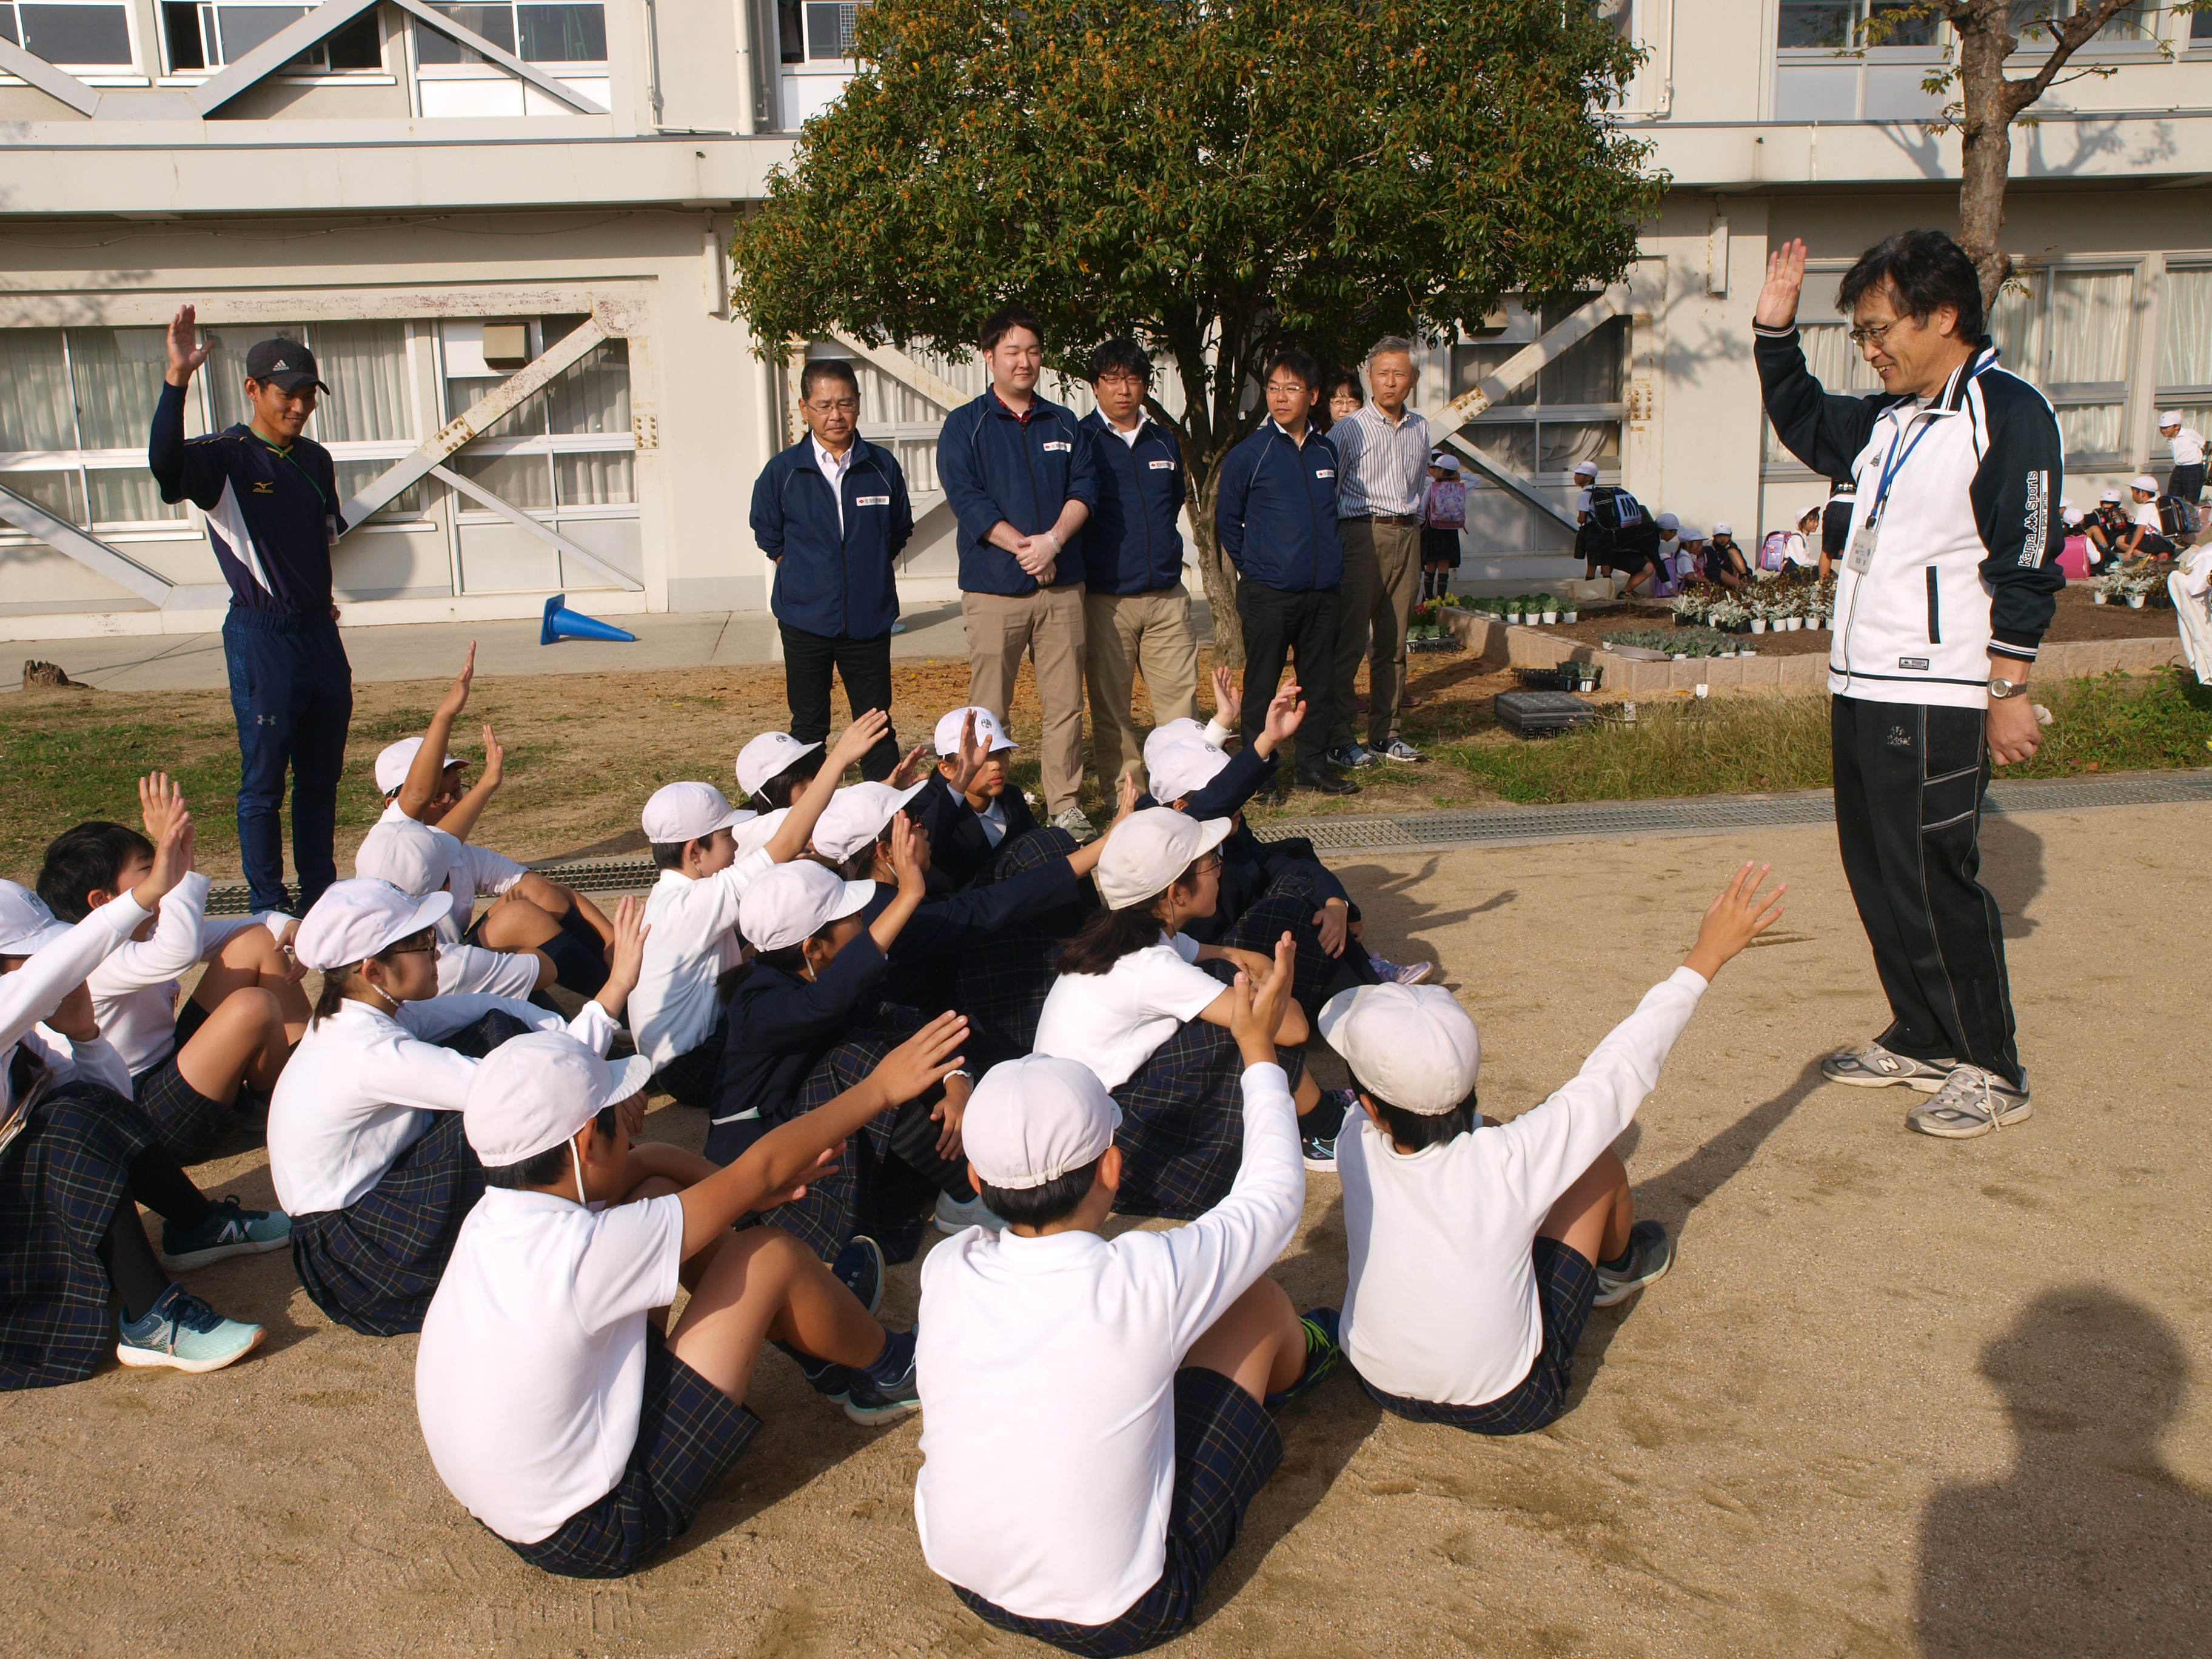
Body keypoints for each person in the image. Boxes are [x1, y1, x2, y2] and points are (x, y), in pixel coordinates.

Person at [415, 1017, 962, 1580]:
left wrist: (744, 1190)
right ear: (584, 1144)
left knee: (654, 1195)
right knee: (768, 1255)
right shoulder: (584, 1254)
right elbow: (764, 1163)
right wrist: (878, 1089)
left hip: (525, 1497)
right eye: (614, 1122)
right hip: (598, 1523)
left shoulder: (496, 1217)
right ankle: (893, 1368)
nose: (628, 1131)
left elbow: (649, 1163)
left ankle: (822, 1344)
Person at [913, 971, 1342, 1655]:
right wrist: (1260, 1056)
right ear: (1112, 1168)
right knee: (1256, 1297)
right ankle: (1308, 1358)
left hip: (966, 1579)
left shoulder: (948, 1267)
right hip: (1124, 1612)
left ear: (977, 1182)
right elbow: (1273, 1200)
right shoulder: (1146, 1276)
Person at [1757, 229, 2063, 1138]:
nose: (1871, 347)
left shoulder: (2005, 411)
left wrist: (2008, 687)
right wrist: (1777, 339)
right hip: (1864, 684)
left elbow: (2030, 554)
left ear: (1944, 316)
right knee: (1877, 869)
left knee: (1933, 875)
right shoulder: (1892, 419)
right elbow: (1809, 422)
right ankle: (1924, 1034)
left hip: (1940, 692)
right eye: (1859, 333)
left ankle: (1992, 1066)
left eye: (1880, 327)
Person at [1328, 862, 1782, 1435]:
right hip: (1508, 1402)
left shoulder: (1352, 1138)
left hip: (1377, 1380)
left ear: (1369, 1106)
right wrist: (1705, 958)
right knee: (1594, 1165)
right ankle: (1619, 1269)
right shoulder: (1510, 1160)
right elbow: (1618, 1070)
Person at [269, 880, 646, 1336]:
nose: (438, 953)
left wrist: (589, 1060)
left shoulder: (366, 1009)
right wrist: (616, 989)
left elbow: (491, 1005)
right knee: (511, 1111)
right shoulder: (366, 1052)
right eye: (422, 944)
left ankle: (572, 1193)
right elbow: (522, 1093)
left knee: (495, 1029)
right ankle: (564, 1223)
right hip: (359, 1253)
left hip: (365, 1213)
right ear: (373, 972)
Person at [1, 805, 278, 1384]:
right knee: (69, 1124)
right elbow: (60, 970)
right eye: (32, 960)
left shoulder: (27, 1038)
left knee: (81, 1107)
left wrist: (84, 1036)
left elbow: (114, 1108)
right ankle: (153, 1318)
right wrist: (159, 887)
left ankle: (196, 1226)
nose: (53, 969)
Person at [1031, 811, 1355, 1212]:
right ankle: (1323, 1130)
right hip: (1113, 1149)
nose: (1221, 870)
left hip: (1087, 1117)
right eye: (1211, 864)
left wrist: (1262, 972)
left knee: (1231, 987)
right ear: (1177, 894)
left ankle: (1313, 1112)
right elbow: (1292, 1029)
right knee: (1243, 1027)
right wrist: (1276, 979)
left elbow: (1229, 953)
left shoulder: (1137, 936)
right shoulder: (1150, 967)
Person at [150, 307, 350, 916]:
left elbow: (316, 540)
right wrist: (177, 380)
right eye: (287, 394)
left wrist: (321, 601)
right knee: (264, 786)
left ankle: (321, 897)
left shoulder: (315, 460)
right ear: (254, 389)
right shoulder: (225, 457)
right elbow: (164, 465)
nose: (298, 407)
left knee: (320, 781)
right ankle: (270, 905)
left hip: (319, 636)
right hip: (264, 638)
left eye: (309, 396)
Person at [41, 779, 307, 1165]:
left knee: (255, 942)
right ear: (104, 901)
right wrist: (182, 868)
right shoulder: (90, 957)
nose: (164, 874)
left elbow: (254, 929)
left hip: (171, 1068)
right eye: (151, 869)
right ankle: (282, 1106)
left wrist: (288, 923)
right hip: (140, 1115)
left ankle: (306, 1063)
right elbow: (178, 953)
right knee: (254, 1006)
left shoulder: (146, 928)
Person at [631, 714, 889, 1111]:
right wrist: (837, 760)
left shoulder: (674, 897)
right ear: (693, 852)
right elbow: (786, 841)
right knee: (821, 1019)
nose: (735, 848)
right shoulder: (690, 906)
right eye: (725, 838)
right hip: (696, 1066)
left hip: (685, 1058)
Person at [371, 645, 617, 998]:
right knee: (521, 922)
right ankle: (617, 1003)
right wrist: (447, 718)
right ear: (395, 803)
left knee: (532, 894)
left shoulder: (456, 851)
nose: (453, 803)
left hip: (451, 956)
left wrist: (612, 940)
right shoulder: (389, 852)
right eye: (437, 796)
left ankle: (621, 985)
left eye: (457, 791)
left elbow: (544, 889)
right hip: (417, 978)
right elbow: (416, 797)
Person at [937, 305, 1099, 840]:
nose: (1024, 361)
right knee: (987, 708)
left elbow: (1085, 491)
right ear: (989, 357)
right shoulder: (966, 425)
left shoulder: (1064, 422)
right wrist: (1025, 548)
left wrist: (1053, 542)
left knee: (1065, 704)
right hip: (994, 589)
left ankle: (1065, 804)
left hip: (1062, 585)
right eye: (1012, 351)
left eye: (1032, 350)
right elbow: (968, 500)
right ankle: (981, 803)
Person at [753, 359, 913, 784]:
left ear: (858, 405)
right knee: (807, 728)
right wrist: (809, 577)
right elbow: (769, 534)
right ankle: (805, 821)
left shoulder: (881, 467)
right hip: (805, 620)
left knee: (875, 724)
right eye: (824, 405)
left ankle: (882, 814)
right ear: (804, 407)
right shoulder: (783, 472)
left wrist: (867, 572)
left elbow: (898, 530)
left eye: (844, 403)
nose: (835, 414)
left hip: (868, 619)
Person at [1215, 348, 1357, 796]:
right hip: (1268, 594)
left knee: (1319, 683)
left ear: (1313, 395)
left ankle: (1311, 766)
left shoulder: (1326, 451)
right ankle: (1259, 774)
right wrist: (1257, 570)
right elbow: (1227, 522)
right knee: (1261, 685)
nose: (1280, 397)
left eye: (1292, 388)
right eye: (1274, 388)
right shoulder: (1249, 454)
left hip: (1323, 593)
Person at [1079, 338, 1198, 794]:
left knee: (1179, 704)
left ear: (1145, 384)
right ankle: (1128, 795)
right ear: (1096, 386)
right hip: (1108, 601)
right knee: (1113, 710)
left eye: (1132, 378)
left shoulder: (1163, 439)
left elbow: (1170, 503)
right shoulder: (1082, 440)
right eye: (1112, 379)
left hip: (1166, 595)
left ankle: (1183, 790)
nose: (1123, 389)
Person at [1329, 337, 1433, 769]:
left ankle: (1386, 735)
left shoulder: (1421, 427)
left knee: (1393, 642)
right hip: (1360, 534)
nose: (1391, 382)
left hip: (1407, 534)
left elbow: (1419, 484)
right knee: (1349, 643)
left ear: (1413, 380)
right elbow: (1328, 489)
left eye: (1400, 374)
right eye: (1382, 373)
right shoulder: (1348, 429)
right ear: (1369, 376)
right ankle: (1338, 737)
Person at [1572, 459, 1665, 596]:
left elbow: (1582, 519)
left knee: (1591, 564)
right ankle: (1608, 593)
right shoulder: (1602, 492)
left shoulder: (1584, 495)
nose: (1576, 476)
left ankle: (1588, 593)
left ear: (1589, 477)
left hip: (1593, 531)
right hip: (1607, 532)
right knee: (1606, 564)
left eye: (1580, 474)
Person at [1421, 452, 1466, 602]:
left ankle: (1428, 597)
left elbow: (1421, 509)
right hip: (1451, 530)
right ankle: (1441, 599)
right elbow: (1475, 480)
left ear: (1441, 471)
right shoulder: (1460, 487)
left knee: (1431, 563)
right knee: (1444, 564)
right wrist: (1458, 477)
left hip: (1434, 529)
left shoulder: (1432, 487)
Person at [2119, 475, 2180, 563]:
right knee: (2150, 541)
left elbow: (2141, 530)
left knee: (2120, 540)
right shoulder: (2161, 505)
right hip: (2168, 543)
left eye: (2134, 492)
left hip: (2154, 542)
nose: (2132, 496)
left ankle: (2147, 556)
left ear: (2142, 493)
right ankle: (2163, 553)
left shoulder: (2145, 508)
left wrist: (2130, 550)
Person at [2159, 411, 2205, 504]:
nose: (2163, 430)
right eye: (2161, 427)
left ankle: (2191, 518)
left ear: (2177, 426)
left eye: (2166, 427)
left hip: (2193, 468)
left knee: (2191, 501)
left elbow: (2205, 446)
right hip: (2178, 469)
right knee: (2173, 499)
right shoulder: (2170, 440)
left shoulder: (2190, 433)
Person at [1702, 521, 1751, 589]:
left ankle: (1745, 577)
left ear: (1730, 536)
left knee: (1732, 552)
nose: (1722, 539)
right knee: (1716, 570)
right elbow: (1712, 567)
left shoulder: (1733, 547)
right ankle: (1742, 585)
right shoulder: (1710, 548)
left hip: (1732, 572)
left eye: (1725, 535)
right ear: (1714, 537)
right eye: (1719, 536)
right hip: (1719, 576)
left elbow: (1743, 563)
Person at [1321, 367, 1364, 432]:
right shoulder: (1320, 439)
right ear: (1329, 406)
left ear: (1361, 405)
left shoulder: (1370, 434)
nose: (1345, 409)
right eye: (1338, 402)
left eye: (1351, 402)